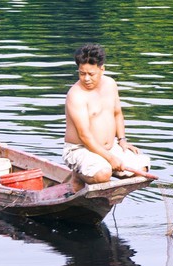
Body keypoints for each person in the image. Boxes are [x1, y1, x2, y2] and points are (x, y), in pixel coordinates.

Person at [63, 43, 150, 191]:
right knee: (103, 174)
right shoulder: (76, 95)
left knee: (142, 170)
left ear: (102, 69)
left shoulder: (110, 84)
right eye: (82, 73)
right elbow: (84, 136)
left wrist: (122, 140)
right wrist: (110, 159)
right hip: (81, 149)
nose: (86, 79)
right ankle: (78, 175)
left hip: (110, 147)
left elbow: (117, 113)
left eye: (91, 74)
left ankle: (106, 188)